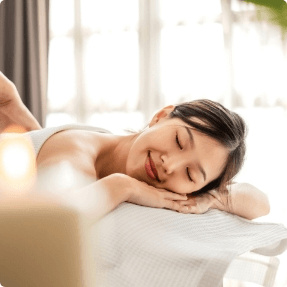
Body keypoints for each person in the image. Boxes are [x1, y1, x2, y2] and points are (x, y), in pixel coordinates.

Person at [0, 71, 270, 222]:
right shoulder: (78, 147)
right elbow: (54, 221)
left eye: (190, 174)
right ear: (161, 116)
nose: (170, 165)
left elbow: (261, 203)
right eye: (178, 141)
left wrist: (208, 199)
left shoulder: (184, 193)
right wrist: (123, 186)